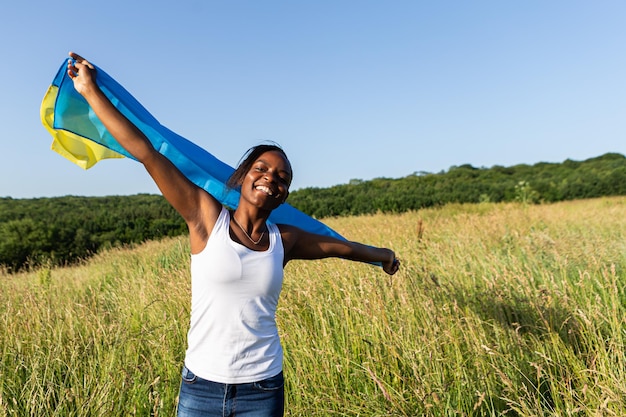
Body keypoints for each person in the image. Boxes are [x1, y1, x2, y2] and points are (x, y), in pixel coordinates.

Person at [66, 51, 400, 417]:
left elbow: (342, 248)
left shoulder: (284, 241)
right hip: (201, 387)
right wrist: (90, 92)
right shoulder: (206, 217)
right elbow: (148, 152)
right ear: (242, 176)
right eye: (262, 168)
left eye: (282, 177)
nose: (271, 177)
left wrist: (382, 256)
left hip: (263, 387)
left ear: (284, 194)